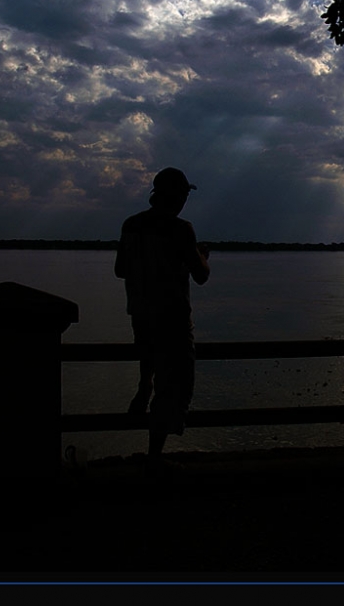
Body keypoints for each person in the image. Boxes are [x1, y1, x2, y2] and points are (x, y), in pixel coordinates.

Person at [114, 167, 210, 466]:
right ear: (178, 196)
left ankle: (144, 385)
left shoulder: (131, 225)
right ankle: (153, 457)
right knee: (175, 389)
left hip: (141, 315)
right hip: (173, 320)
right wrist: (202, 255)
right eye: (183, 196)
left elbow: (120, 270)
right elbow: (201, 276)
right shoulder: (182, 229)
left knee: (151, 362)